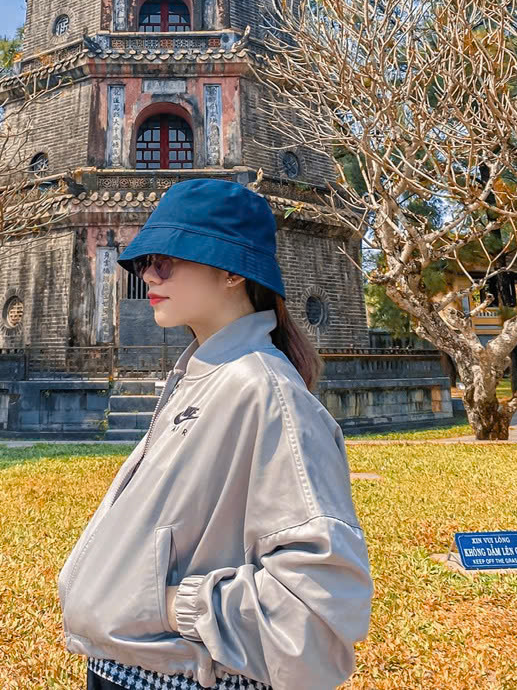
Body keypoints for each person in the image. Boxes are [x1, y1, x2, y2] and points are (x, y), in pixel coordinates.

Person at [58, 178, 374, 690]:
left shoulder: (265, 392)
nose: (148, 273)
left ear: (231, 270)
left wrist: (164, 603)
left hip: (178, 677)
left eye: (169, 258)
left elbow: (315, 610)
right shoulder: (204, 375)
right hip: (126, 667)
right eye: (143, 260)